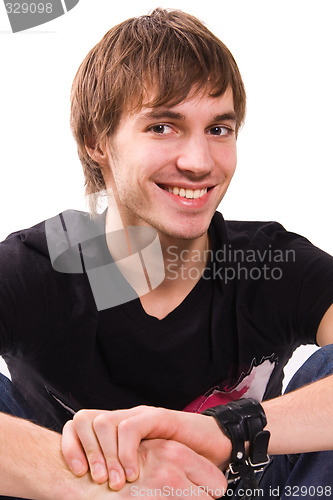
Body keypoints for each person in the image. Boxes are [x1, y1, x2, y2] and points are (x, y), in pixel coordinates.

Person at [0, 7, 333, 500]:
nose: (199, 163)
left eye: (219, 129)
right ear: (97, 141)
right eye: (162, 127)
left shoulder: (274, 263)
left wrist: (230, 430)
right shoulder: (35, 269)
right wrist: (99, 482)